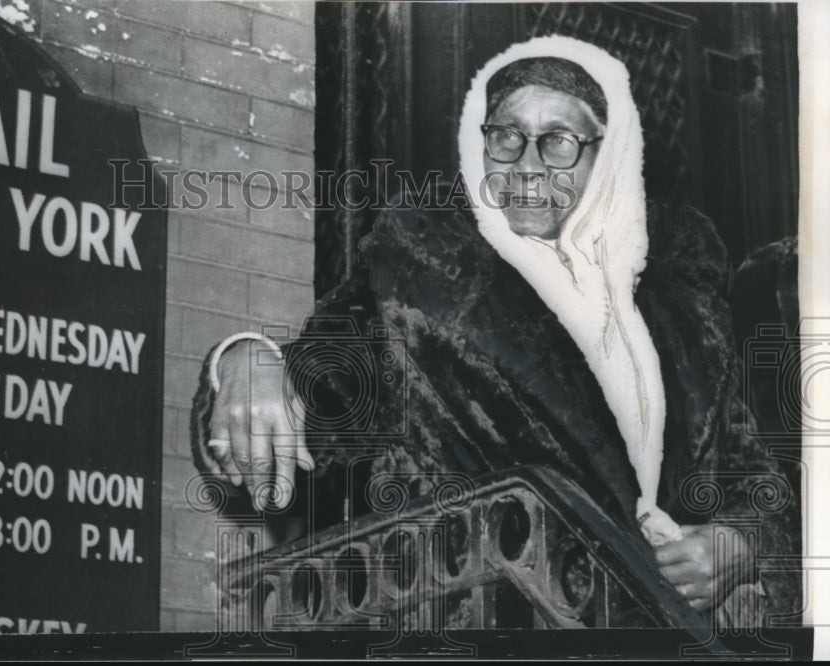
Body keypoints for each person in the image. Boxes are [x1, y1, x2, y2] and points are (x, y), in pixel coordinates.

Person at [189, 36, 798, 624]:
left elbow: (752, 477)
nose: (527, 164)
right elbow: (315, 397)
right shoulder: (422, 280)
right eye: (506, 136)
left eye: (558, 141)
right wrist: (247, 363)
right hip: (484, 619)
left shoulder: (682, 310)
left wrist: (735, 545)